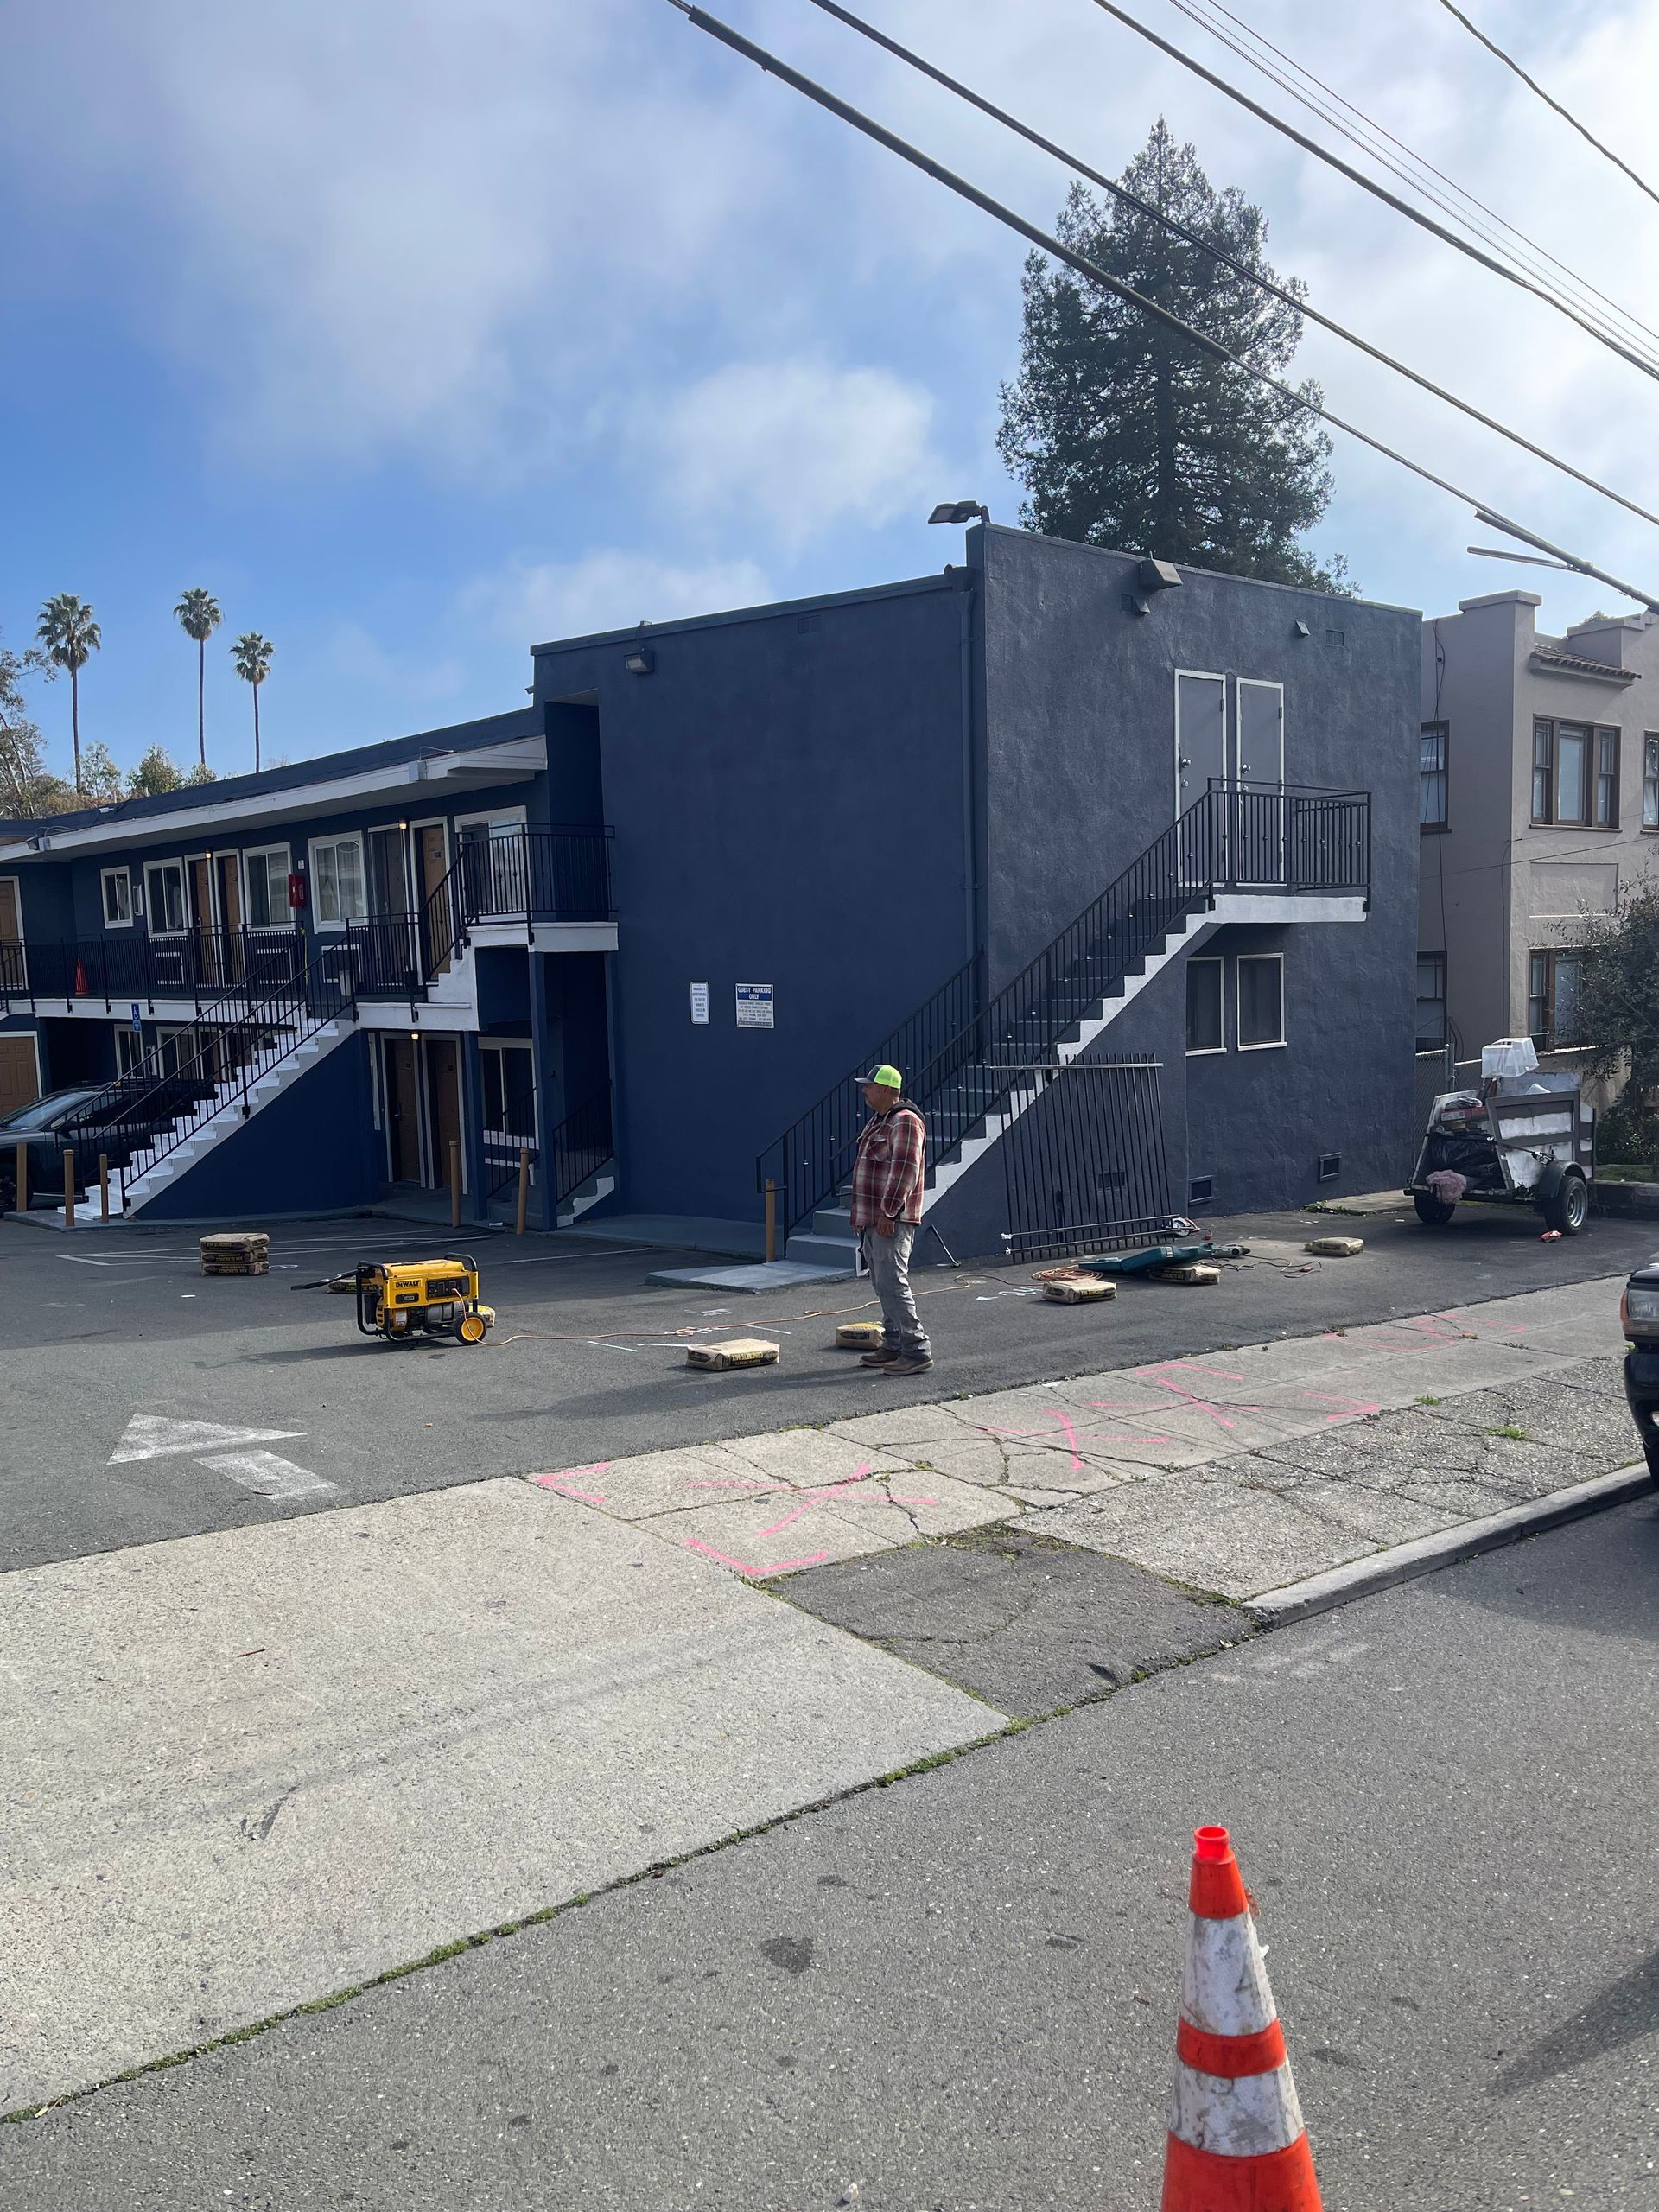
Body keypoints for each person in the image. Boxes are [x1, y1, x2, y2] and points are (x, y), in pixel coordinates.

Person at [849, 1064, 931, 1375]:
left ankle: (916, 1349)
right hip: (874, 1219)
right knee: (882, 1283)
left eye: (869, 1086)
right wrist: (862, 1217)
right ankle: (893, 1343)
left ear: (885, 1089)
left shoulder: (905, 1121)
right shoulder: (879, 1121)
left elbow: (905, 1170)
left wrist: (889, 1212)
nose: (864, 1091)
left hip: (891, 1219)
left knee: (893, 1282)